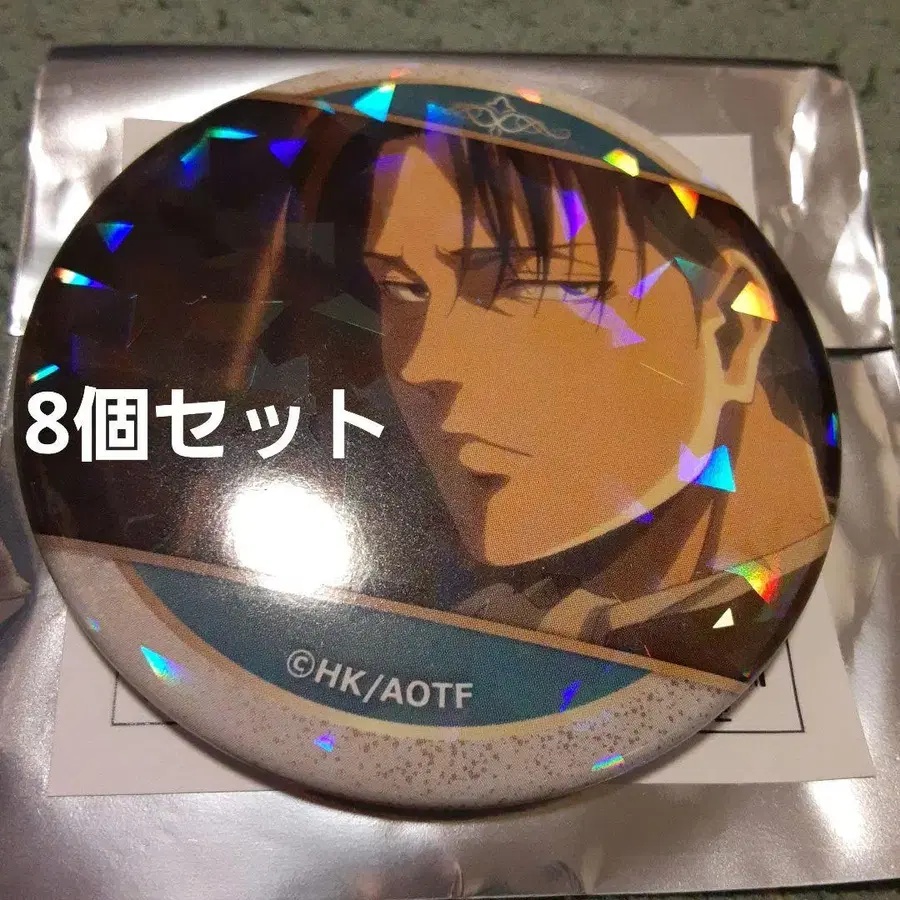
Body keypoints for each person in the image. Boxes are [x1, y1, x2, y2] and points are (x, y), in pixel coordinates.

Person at [257, 95, 836, 679]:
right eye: (403, 287)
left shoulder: (818, 615)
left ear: (732, 329)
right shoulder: (530, 624)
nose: (419, 364)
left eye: (527, 284)